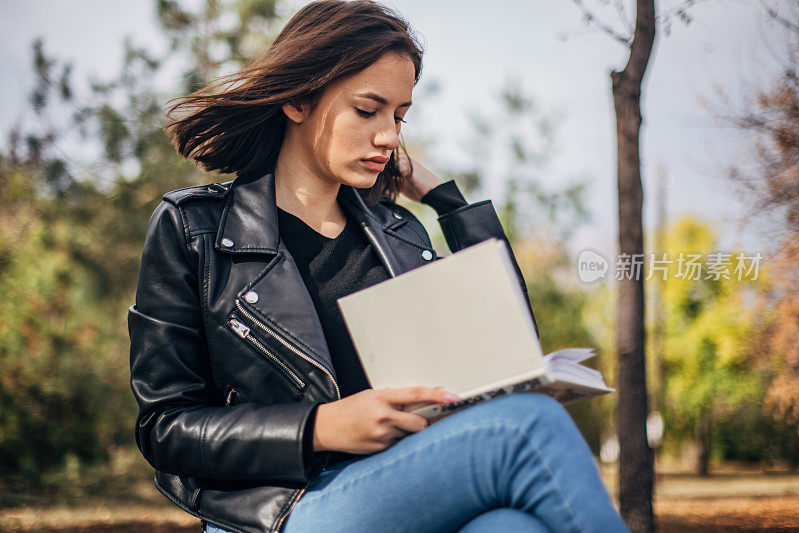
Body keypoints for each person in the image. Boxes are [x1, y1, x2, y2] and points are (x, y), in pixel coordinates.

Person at [128, 1, 629, 532]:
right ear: (298, 99)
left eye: (399, 116)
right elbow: (166, 427)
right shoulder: (195, 229)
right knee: (531, 427)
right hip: (276, 512)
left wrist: (448, 203)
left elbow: (506, 356)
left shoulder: (398, 235)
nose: (389, 136)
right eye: (368, 110)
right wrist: (318, 427)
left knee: (510, 526)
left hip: (398, 485)